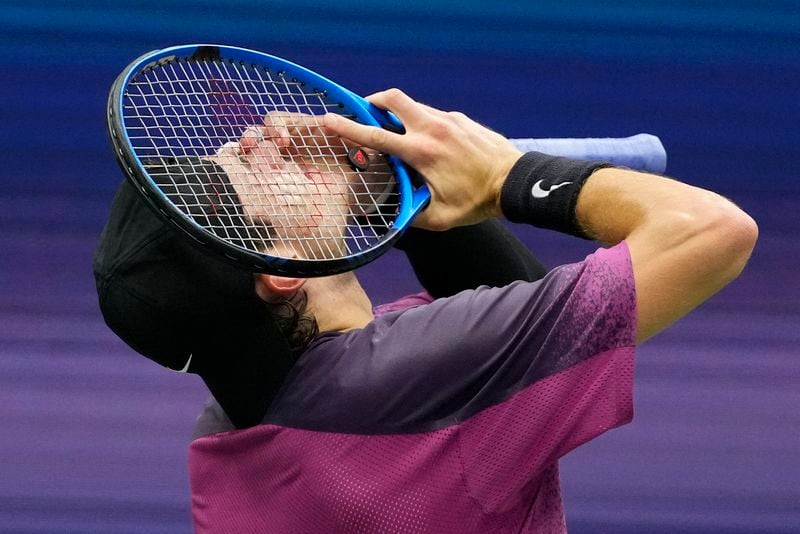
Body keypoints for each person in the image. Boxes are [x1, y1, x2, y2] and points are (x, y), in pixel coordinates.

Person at [94, 89, 757, 533]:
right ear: (280, 270)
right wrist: (507, 177)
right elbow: (712, 231)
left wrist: (403, 195)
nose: (259, 139)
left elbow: (520, 341)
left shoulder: (225, 436)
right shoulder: (412, 380)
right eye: (252, 170)